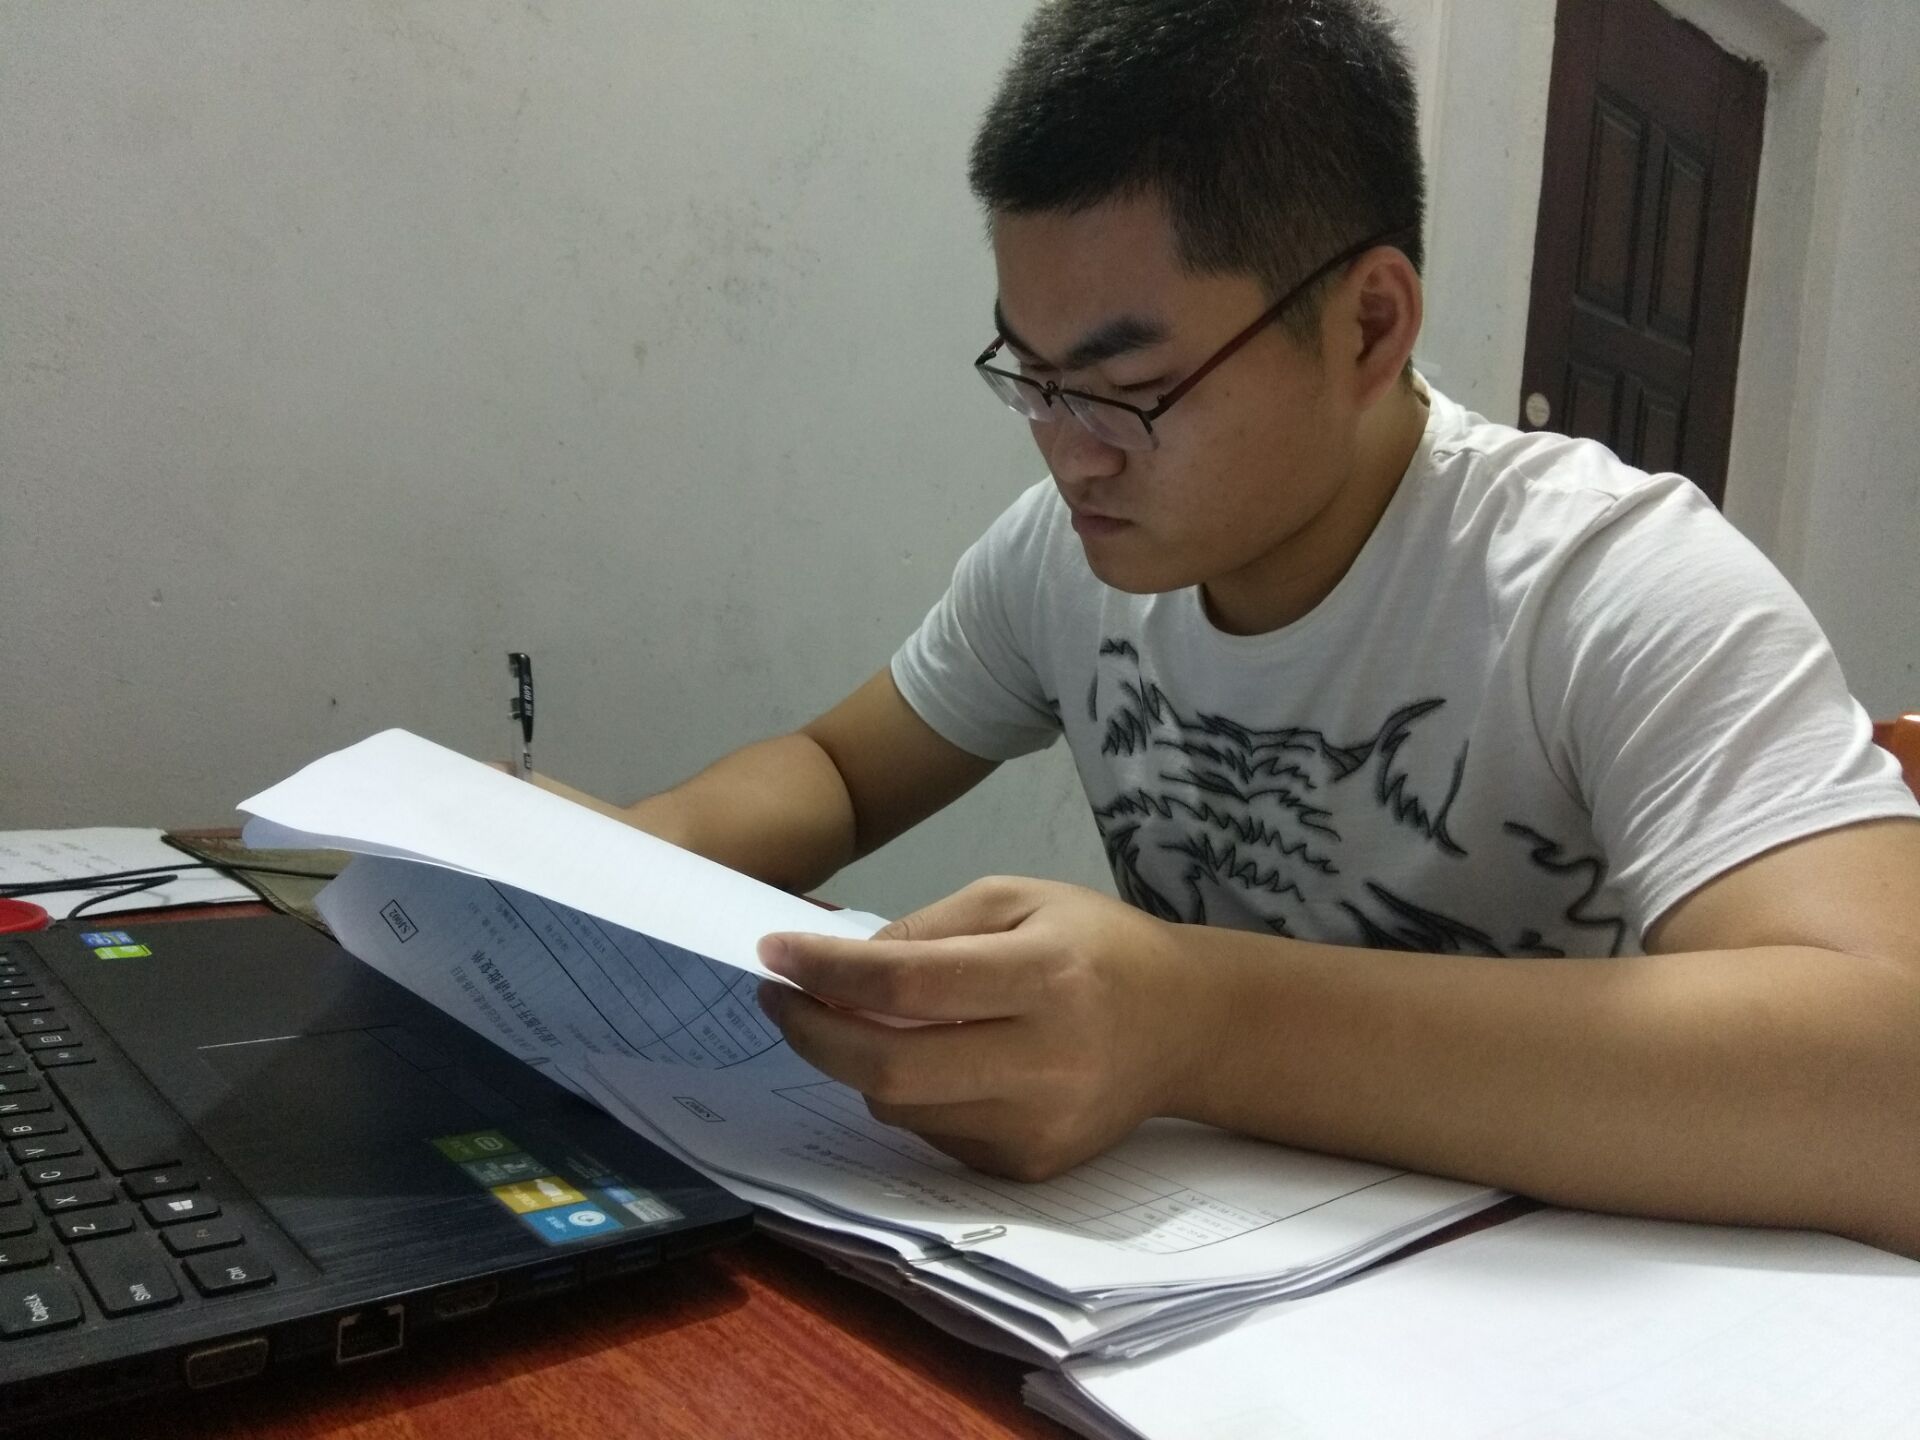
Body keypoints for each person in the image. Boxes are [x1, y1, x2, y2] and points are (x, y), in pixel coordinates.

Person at [550, 0, 1920, 1253]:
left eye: (1128, 386)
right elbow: (840, 771)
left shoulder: (1605, 583)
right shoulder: (1065, 560)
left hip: (1561, 1321)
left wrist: (1200, 1022)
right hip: (1189, 1290)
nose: (1069, 454)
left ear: (1369, 326)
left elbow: (1892, 1083)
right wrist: (594, 858)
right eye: (1030, 376)